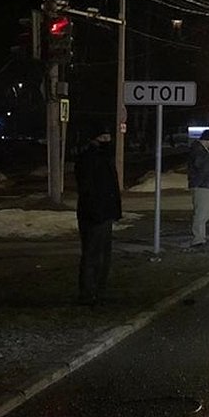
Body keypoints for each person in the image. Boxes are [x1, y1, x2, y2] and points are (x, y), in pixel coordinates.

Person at [74, 120, 121, 306]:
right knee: (92, 254)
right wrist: (97, 210)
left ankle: (99, 291)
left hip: (103, 213)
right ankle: (88, 292)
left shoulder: (103, 157)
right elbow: (87, 188)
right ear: (94, 139)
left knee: (103, 255)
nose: (107, 140)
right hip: (94, 214)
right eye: (103, 137)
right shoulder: (89, 158)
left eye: (108, 137)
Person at [187, 128, 209, 248]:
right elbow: (204, 168)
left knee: (202, 213)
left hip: (202, 185)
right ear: (207, 140)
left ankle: (200, 238)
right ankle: (198, 239)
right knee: (202, 214)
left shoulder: (198, 150)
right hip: (203, 185)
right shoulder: (200, 151)